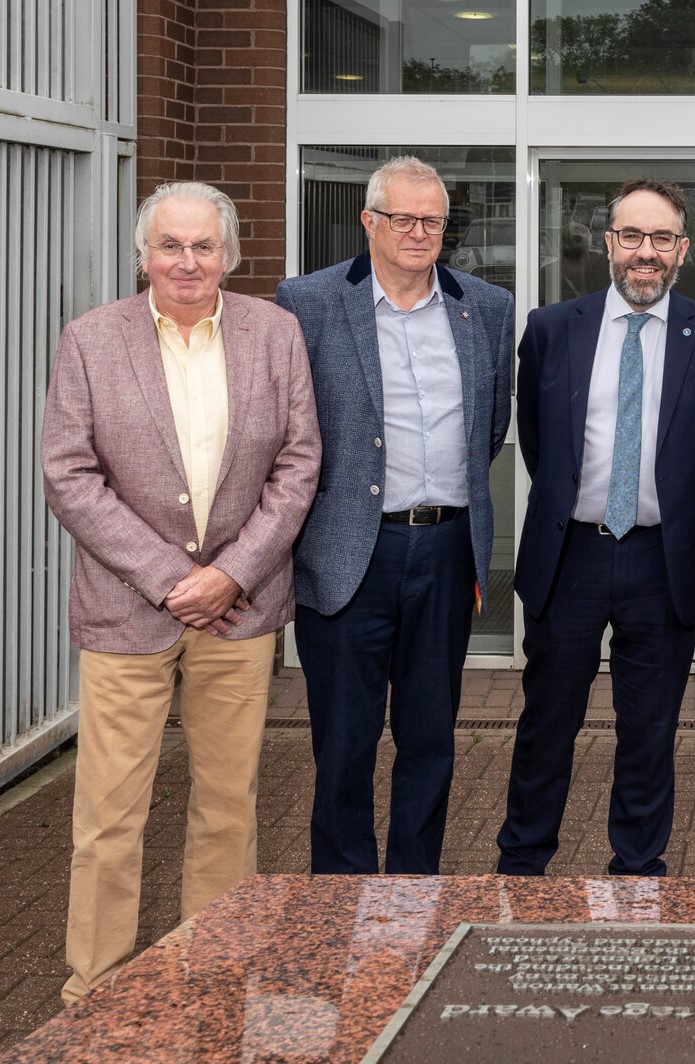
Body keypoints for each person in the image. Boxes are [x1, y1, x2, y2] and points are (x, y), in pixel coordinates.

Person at [42, 182, 320, 1003]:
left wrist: (232, 572)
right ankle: (94, 991)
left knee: (229, 806)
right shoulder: (91, 340)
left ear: (231, 255)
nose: (188, 262)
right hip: (126, 612)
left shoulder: (276, 334)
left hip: (241, 612)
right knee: (107, 815)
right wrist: (170, 579)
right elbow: (68, 473)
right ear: (144, 254)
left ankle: (216, 979)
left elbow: (299, 465)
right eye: (171, 245)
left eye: (204, 246)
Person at [498, 177, 695, 876]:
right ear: (608, 244)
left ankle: (637, 869)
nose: (646, 253)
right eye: (632, 237)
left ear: (683, 249)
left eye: (661, 238)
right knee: (547, 723)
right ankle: (522, 863)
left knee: (649, 729)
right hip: (570, 555)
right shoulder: (552, 329)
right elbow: (542, 445)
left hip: (662, 562)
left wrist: (666, 512)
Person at [276, 156, 514, 875]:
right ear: (368, 222)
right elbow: (290, 424)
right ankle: (342, 897)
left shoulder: (487, 307)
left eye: (432, 220)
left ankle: (415, 891)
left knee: (430, 736)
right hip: (349, 552)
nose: (418, 232)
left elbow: (490, 423)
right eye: (402, 218)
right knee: (343, 740)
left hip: (445, 551)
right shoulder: (308, 302)